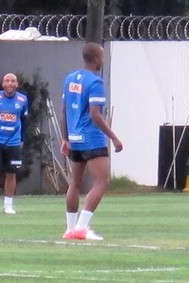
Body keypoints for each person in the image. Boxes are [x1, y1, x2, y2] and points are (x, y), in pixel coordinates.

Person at [61, 42, 123, 240]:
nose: (103, 60)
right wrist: (113, 137)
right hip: (92, 138)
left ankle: (70, 229)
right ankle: (81, 227)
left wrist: (65, 138)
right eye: (102, 57)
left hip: (75, 138)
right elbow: (95, 114)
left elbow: (64, 111)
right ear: (96, 59)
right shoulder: (95, 82)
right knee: (102, 180)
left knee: (75, 183)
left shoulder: (70, 79)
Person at [0, 73, 29, 215]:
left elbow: (25, 121)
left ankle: (8, 205)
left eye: (12, 81)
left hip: (13, 142)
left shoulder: (22, 99)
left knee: (11, 173)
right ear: (3, 84)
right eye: (7, 81)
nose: (10, 83)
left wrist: (21, 139)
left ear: (17, 84)